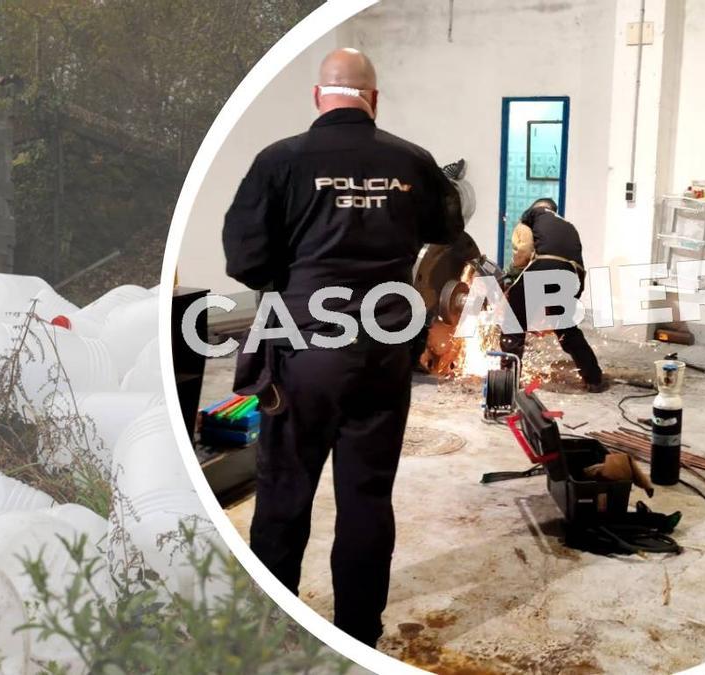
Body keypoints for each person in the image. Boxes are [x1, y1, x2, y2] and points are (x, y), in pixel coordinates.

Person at [221, 47, 463, 646]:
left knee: (284, 492)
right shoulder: (411, 160)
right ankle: (358, 636)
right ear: (373, 99)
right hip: (383, 352)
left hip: (304, 353)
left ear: (317, 97)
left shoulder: (279, 162)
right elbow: (447, 229)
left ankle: (273, 633)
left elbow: (245, 262)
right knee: (366, 496)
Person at [500, 198, 606, 392]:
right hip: (570, 276)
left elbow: (523, 251)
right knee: (566, 327)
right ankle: (593, 378)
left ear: (535, 208)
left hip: (544, 268)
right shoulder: (568, 227)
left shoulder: (530, 219)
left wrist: (511, 280)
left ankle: (508, 380)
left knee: (513, 324)